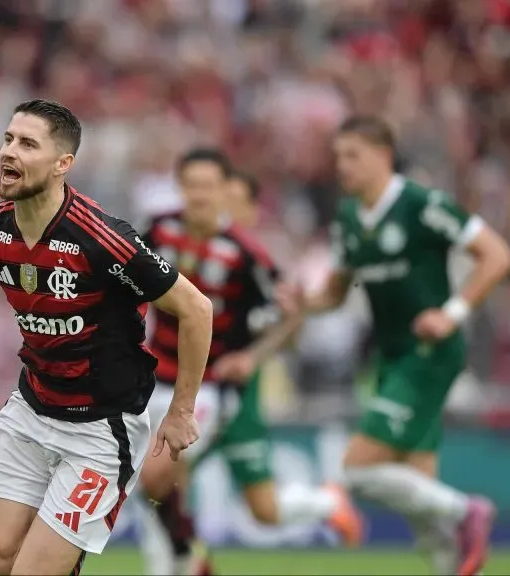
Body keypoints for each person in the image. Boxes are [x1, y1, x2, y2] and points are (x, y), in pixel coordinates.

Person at [0, 99, 214, 576]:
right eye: (8, 139)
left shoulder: (102, 239)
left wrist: (180, 411)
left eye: (27, 144)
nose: (9, 152)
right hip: (31, 412)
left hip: (101, 428)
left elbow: (196, 308)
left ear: (62, 165)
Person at [281, 116, 510, 576]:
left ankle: (468, 510)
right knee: (421, 511)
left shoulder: (421, 204)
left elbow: (498, 255)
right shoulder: (348, 218)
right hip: (391, 359)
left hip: (429, 354)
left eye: (353, 155)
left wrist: (452, 313)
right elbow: (335, 293)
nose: (342, 166)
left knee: (357, 472)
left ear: (384, 156)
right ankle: (453, 535)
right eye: (338, 156)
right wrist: (304, 302)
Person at [137, 150, 363, 576]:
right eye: (191, 185)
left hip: (211, 388)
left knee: (154, 477)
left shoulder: (245, 254)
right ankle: (188, 558)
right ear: (180, 187)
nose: (199, 195)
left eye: (208, 186)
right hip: (153, 378)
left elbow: (292, 312)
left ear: (224, 190)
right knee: (157, 486)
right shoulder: (159, 230)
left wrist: (252, 356)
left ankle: (183, 559)